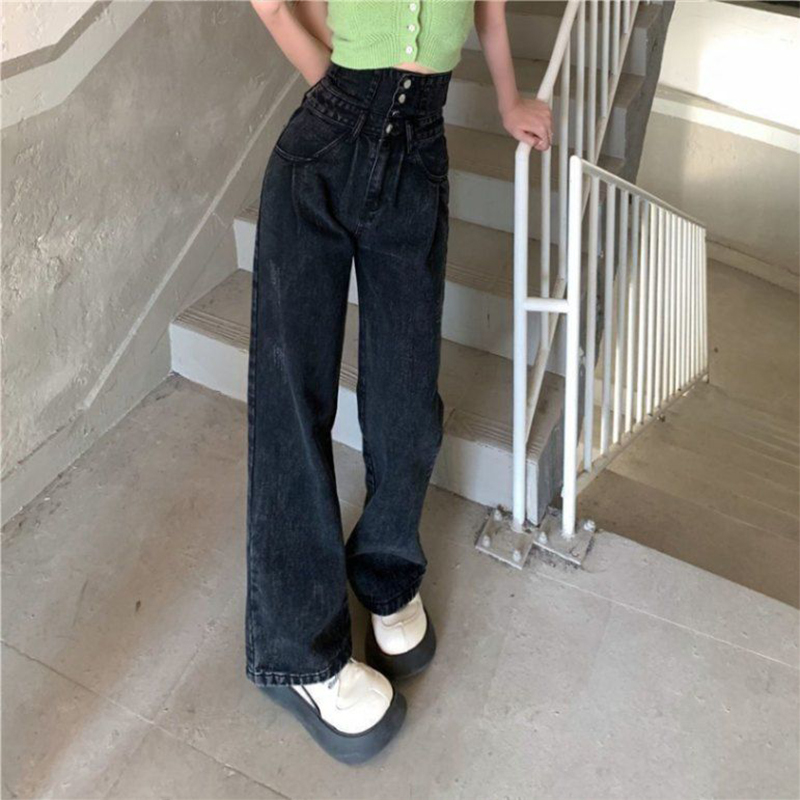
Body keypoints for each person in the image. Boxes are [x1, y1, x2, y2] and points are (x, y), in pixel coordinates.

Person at [246, 0, 552, 765]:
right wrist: (347, 103)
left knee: (407, 397)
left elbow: (490, 14)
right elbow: (277, 6)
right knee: (292, 400)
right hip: (322, 150)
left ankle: (386, 572)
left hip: (421, 153)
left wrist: (510, 102)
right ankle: (297, 652)